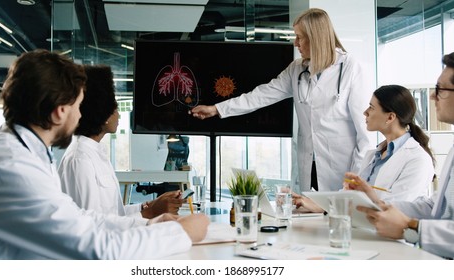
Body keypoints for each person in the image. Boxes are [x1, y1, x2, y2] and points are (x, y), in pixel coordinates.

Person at [0, 50, 209, 259]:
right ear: (60, 111)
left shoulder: (23, 151)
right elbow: (98, 249)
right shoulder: (11, 167)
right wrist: (182, 233)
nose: (81, 116)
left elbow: (78, 217)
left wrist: (150, 223)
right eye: (78, 106)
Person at [190, 8, 374, 192]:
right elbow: (261, 95)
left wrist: (356, 176)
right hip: (309, 166)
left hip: (343, 170)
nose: (295, 43)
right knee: (312, 217)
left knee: (339, 217)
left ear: (315, 37)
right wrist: (216, 109)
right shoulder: (296, 69)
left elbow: (365, 133)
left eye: (300, 37)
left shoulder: (349, 67)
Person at [348, 52, 454, 259]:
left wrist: (412, 227)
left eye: (440, 90)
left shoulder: (417, 157)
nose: (432, 96)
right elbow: (435, 207)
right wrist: (377, 202)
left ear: (391, 117)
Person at [58, 65, 183, 218]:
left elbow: (114, 213)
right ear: (103, 113)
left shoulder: (95, 153)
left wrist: (149, 205)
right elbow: (93, 224)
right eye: (116, 109)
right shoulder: (80, 159)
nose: (119, 116)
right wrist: (149, 213)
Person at [293, 85, 436, 212]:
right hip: (359, 227)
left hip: (388, 237)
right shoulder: (374, 155)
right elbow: (350, 196)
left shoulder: (418, 159)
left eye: (371, 108)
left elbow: (397, 208)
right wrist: (317, 204)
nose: (365, 112)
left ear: (391, 117)